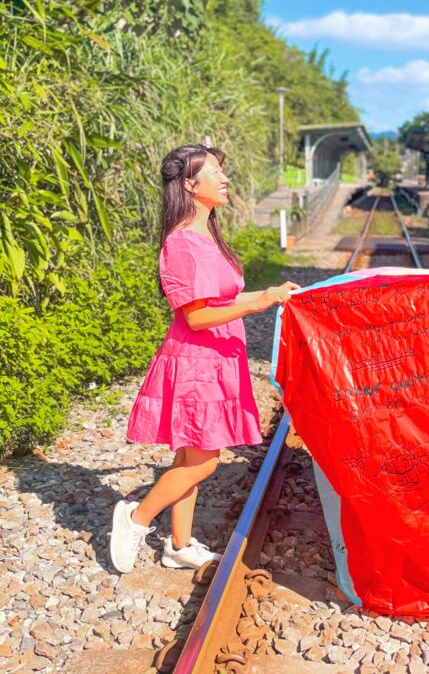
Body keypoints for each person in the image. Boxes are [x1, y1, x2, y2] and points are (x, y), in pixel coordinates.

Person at [109, 144, 299, 574]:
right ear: (190, 185)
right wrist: (260, 300)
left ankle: (178, 545)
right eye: (215, 171)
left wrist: (267, 298)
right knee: (206, 457)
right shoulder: (181, 243)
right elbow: (196, 317)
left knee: (190, 456)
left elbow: (222, 299)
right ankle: (135, 519)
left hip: (217, 357)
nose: (224, 178)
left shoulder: (206, 236)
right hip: (197, 361)